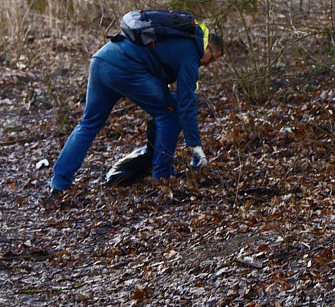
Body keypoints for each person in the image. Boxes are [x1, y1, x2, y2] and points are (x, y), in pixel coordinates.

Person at [49, 18, 223, 198]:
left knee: (88, 123)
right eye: (212, 58)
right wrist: (195, 145)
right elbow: (185, 101)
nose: (208, 64)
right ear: (208, 46)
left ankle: (59, 183)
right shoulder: (191, 51)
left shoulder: (182, 38)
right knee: (170, 113)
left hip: (102, 59)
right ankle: (163, 176)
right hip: (125, 68)